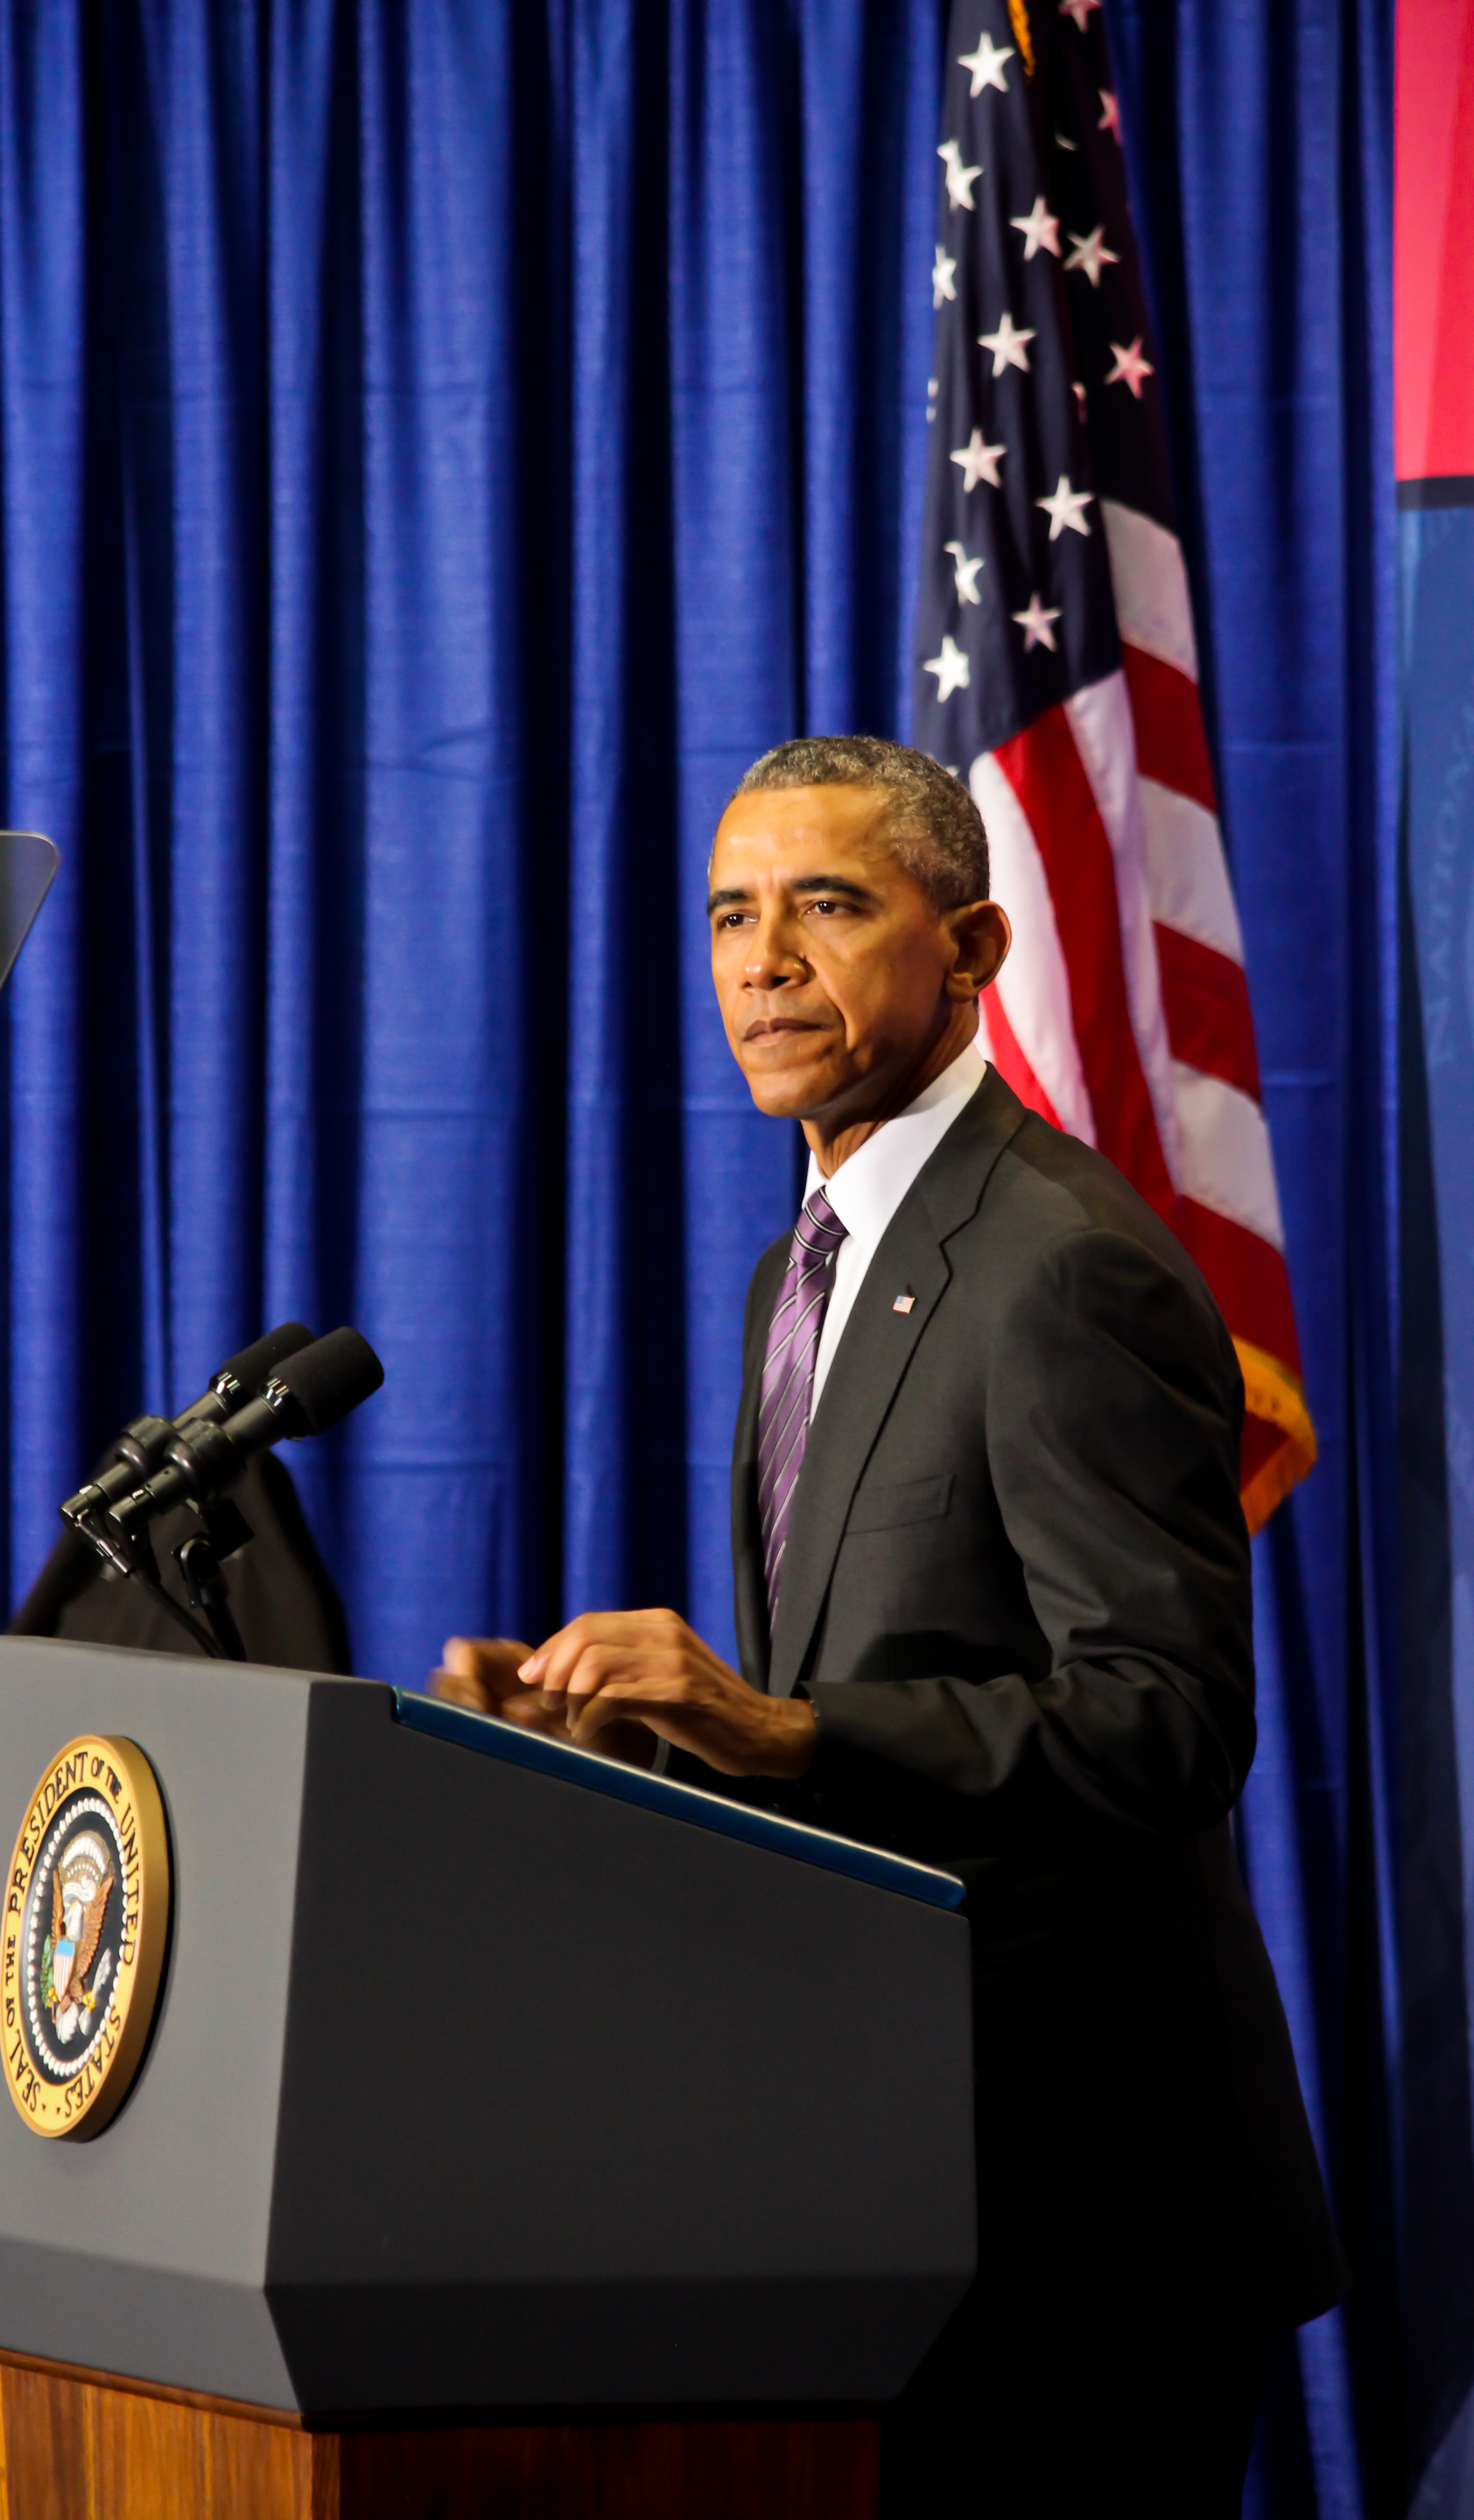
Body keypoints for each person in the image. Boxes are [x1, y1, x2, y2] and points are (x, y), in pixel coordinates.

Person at [434, 735, 1345, 2516]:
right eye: (730, 916)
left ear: (980, 949)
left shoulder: (1061, 1262)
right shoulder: (810, 1257)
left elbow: (1166, 1719)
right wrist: (638, 1728)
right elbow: (882, 1688)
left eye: (829, 907)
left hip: (1085, 2222)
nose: (764, 960)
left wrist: (784, 1729)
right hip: (889, 2175)